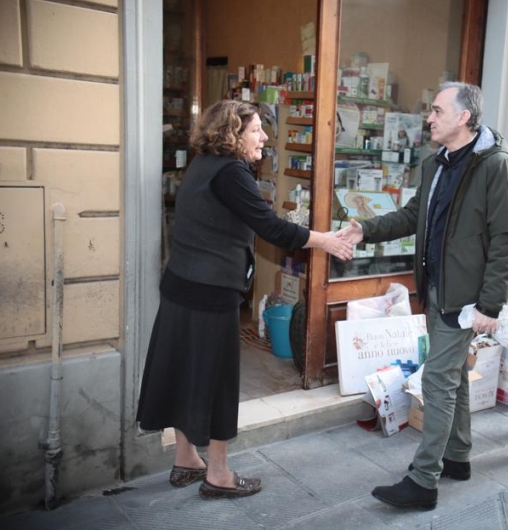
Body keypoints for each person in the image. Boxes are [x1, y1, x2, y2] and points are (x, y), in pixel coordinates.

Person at [136, 100, 353, 499]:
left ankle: (186, 458)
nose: (264, 137)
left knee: (185, 372)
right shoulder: (231, 172)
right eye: (256, 130)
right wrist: (326, 240)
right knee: (217, 381)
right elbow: (271, 227)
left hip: (181, 286)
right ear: (233, 134)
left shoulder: (202, 164)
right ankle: (218, 474)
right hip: (210, 292)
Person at [335, 82, 508, 509]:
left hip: (468, 298)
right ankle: (457, 455)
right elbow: (412, 215)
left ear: (464, 117)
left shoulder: (495, 165)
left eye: (438, 110)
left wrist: (490, 304)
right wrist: (366, 230)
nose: (429, 118)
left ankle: (423, 481)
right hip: (437, 288)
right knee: (452, 375)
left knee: (437, 380)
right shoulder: (436, 163)